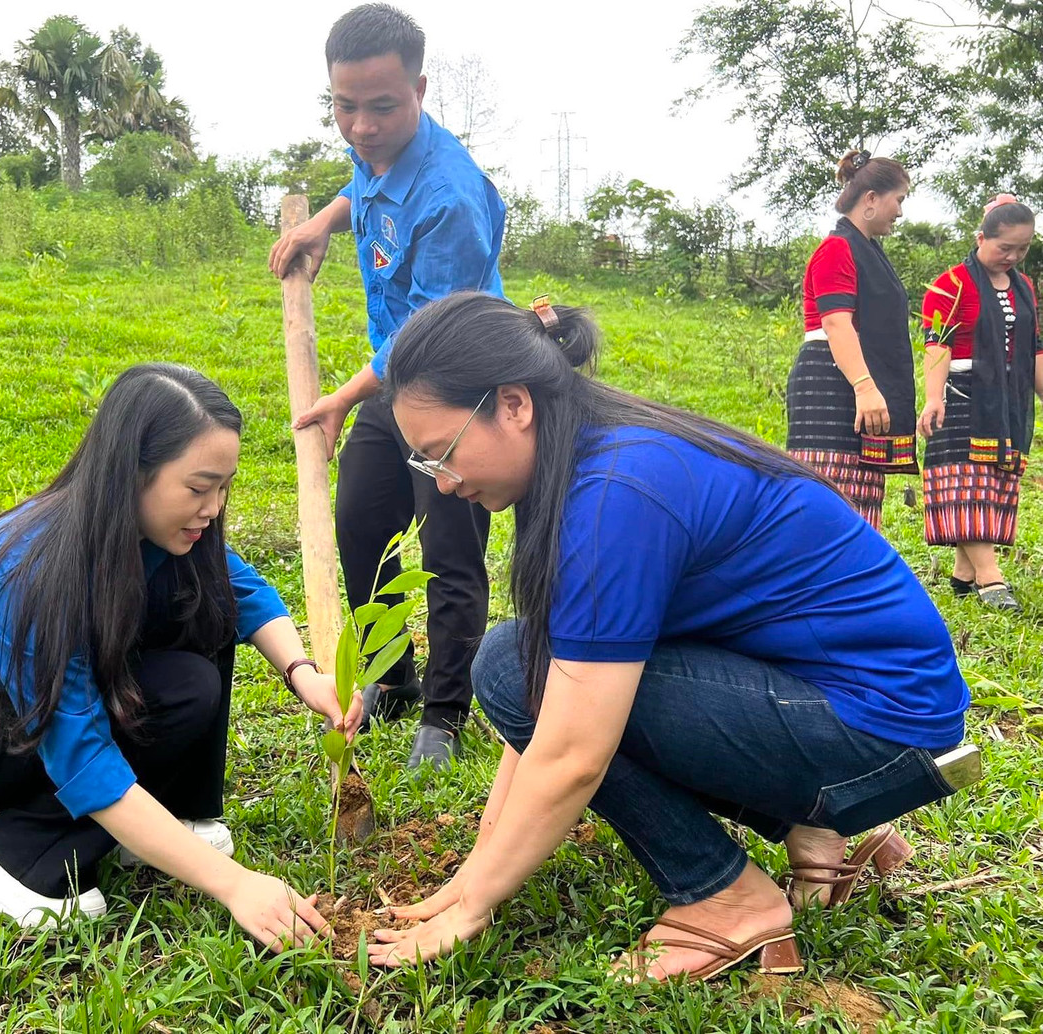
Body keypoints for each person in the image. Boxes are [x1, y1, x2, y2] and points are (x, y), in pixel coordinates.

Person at [365, 293, 972, 981]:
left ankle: (728, 897)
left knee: (506, 664)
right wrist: (476, 869)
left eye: (439, 454)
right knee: (519, 661)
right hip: (863, 711)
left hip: (877, 731)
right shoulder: (597, 452)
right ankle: (815, 826)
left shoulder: (616, 492)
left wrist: (471, 905)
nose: (441, 485)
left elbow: (568, 749)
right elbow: (540, 703)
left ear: (513, 405)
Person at [0, 363, 362, 946]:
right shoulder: (31, 572)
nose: (214, 507)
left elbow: (244, 591)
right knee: (107, 740)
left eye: (224, 486)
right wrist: (236, 885)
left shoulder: (161, 534)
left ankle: (175, 818)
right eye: (198, 488)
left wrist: (304, 675)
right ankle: (15, 861)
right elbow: (82, 756)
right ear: (131, 472)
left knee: (203, 621)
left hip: (50, 705)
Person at [268, 3, 507, 769]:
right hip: (393, 385)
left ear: (420, 90)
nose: (363, 126)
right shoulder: (374, 155)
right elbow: (362, 189)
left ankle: (445, 714)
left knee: (449, 549)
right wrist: (321, 226)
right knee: (362, 525)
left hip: (461, 389)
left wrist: (339, 397)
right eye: (345, 107)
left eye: (382, 107)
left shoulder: (451, 198)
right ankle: (391, 679)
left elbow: (424, 339)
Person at [919, 195, 1040, 611]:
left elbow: (1034, 349)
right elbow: (937, 343)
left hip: (1008, 398)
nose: (1012, 256)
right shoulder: (951, 284)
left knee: (994, 481)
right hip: (962, 393)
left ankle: (963, 574)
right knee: (965, 483)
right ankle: (991, 579)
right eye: (1004, 247)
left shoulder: (1024, 288)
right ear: (981, 237)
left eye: (1022, 248)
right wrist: (933, 397)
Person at [787, 150, 917, 529]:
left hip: (852, 373)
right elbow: (837, 324)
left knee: (859, 491)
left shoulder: (869, 251)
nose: (901, 211)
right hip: (833, 378)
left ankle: (850, 583)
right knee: (832, 493)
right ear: (872, 199)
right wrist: (864, 386)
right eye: (899, 200)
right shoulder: (837, 249)